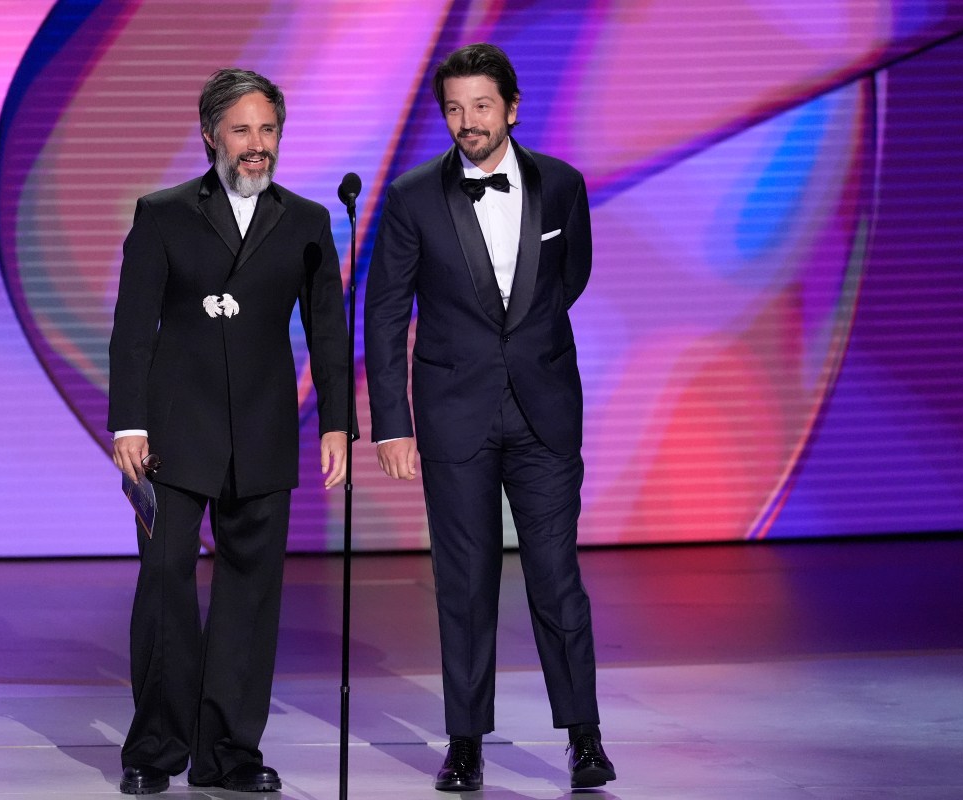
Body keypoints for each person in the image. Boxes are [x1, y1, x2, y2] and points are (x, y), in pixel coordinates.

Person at [364, 43, 616, 791]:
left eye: (480, 106)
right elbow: (384, 314)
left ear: (510, 106)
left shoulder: (562, 185)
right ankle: (466, 742)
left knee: (555, 578)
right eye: (453, 108)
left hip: (544, 412)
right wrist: (392, 422)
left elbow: (570, 279)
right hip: (451, 416)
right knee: (465, 582)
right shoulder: (411, 197)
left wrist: (524, 352)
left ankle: (585, 737)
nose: (466, 122)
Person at [108, 68, 353, 794]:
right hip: (172, 438)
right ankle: (155, 749)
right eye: (242, 130)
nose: (257, 145)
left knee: (251, 596)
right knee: (164, 588)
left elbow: (329, 333)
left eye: (268, 130)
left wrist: (336, 425)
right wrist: (128, 423)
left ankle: (229, 754)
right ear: (212, 133)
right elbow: (132, 333)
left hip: (263, 432)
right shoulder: (164, 214)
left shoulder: (307, 222)